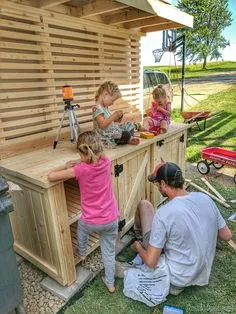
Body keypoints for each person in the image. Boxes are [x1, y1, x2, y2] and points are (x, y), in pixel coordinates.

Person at [117, 162, 233, 302]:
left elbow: (151, 262)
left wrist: (138, 247)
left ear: (164, 183)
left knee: (144, 205)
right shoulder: (205, 198)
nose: (158, 188)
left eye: (157, 185)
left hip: (178, 277)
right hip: (202, 271)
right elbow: (227, 235)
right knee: (147, 208)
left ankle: (140, 242)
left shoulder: (165, 213)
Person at [48, 131, 119, 293]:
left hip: (91, 222)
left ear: (81, 152)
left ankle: (82, 253)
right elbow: (104, 169)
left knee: (81, 229)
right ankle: (110, 283)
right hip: (111, 218)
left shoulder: (79, 170)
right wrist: (82, 161)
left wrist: (65, 166)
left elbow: (51, 176)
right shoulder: (107, 161)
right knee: (108, 253)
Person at [92, 81, 140, 147]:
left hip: (112, 131)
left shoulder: (105, 107)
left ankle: (128, 138)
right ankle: (128, 138)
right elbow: (102, 125)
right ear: (105, 94)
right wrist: (113, 116)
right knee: (126, 134)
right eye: (112, 100)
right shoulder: (97, 108)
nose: (112, 103)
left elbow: (109, 121)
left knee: (130, 124)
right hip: (105, 135)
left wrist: (117, 119)